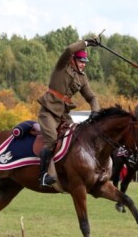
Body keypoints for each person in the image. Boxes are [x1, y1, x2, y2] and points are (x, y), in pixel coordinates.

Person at [36, 37, 101, 187]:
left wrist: (95, 111)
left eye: (85, 62)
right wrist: (86, 43)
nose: (83, 65)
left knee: (76, 138)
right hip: (49, 111)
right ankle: (44, 176)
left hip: (64, 115)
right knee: (51, 140)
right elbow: (68, 49)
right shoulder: (62, 66)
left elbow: (91, 96)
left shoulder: (82, 78)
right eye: (80, 61)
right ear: (73, 60)